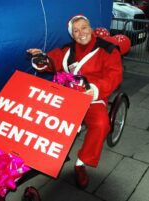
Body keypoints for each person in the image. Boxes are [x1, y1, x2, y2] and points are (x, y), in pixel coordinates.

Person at [27, 15, 123, 189]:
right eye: (76, 30)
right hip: (67, 95)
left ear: (91, 28)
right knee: (41, 116)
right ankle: (42, 153)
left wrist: (94, 90)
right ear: (72, 34)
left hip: (92, 95)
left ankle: (81, 163)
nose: (81, 33)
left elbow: (114, 75)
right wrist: (41, 58)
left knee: (101, 124)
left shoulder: (108, 49)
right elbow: (51, 61)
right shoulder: (68, 49)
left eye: (84, 27)